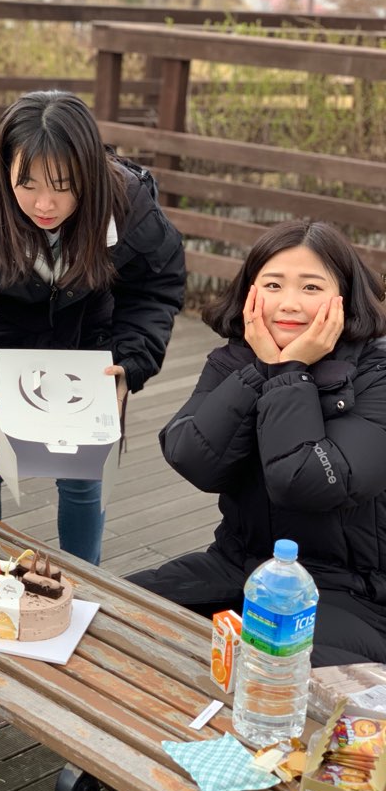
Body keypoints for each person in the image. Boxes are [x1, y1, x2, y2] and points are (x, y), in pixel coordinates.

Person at [0, 90, 185, 566]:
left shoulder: (128, 203)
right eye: (27, 183)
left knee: (83, 477)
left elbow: (155, 287)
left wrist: (131, 362)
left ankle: (83, 580)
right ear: (4, 167)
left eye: (63, 185)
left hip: (89, 349)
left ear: (89, 172)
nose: (44, 203)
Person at [128, 219, 386, 666]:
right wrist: (259, 371)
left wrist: (288, 373)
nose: (289, 303)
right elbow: (193, 457)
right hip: (240, 565)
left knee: (265, 665)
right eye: (273, 284)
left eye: (311, 287)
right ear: (250, 293)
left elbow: (305, 482)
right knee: (116, 608)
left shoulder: (376, 377)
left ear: (344, 297)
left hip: (350, 595)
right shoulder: (235, 361)